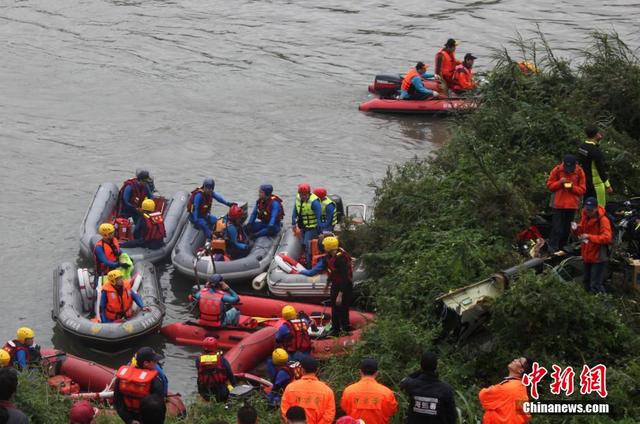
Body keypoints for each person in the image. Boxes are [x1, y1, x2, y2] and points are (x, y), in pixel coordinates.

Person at [300, 236, 353, 335]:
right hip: (335, 284)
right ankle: (335, 329)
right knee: (334, 308)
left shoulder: (341, 259)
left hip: (345, 286)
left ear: (328, 247)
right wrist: (327, 284)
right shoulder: (329, 257)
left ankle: (346, 328)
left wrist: (340, 295)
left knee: (343, 308)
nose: (323, 248)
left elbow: (344, 277)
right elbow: (332, 272)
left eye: (324, 246)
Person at [400, 351, 456, 424]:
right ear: (436, 366)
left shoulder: (411, 385)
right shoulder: (446, 389)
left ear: (421, 366)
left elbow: (403, 381)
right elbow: (451, 417)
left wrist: (421, 371)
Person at [114, 347, 166, 424]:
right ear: (146, 363)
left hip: (130, 419)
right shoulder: (155, 381)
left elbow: (118, 403)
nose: (157, 362)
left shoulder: (121, 379)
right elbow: (159, 408)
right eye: (154, 361)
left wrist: (129, 420)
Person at [546, 154, 587, 252]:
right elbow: (550, 186)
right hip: (558, 204)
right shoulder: (557, 170)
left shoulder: (579, 172)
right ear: (563, 163)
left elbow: (582, 190)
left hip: (571, 205)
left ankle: (562, 248)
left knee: (566, 229)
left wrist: (572, 187)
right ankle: (552, 248)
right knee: (557, 228)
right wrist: (560, 182)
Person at [340, 358, 398, 424]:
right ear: (376, 373)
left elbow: (345, 408)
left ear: (360, 372)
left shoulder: (349, 391)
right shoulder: (386, 392)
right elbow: (392, 410)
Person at [281, 356, 335, 424]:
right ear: (317, 370)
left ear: (302, 370)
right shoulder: (327, 391)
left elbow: (285, 411)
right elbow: (329, 415)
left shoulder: (290, 388)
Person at [575, 197, 612, 293]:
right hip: (587, 255)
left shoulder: (603, 220)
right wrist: (576, 229)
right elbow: (581, 233)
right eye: (587, 209)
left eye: (590, 210)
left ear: (596, 209)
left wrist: (589, 237)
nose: (588, 212)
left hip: (598, 257)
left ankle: (605, 306)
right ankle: (589, 306)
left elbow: (607, 238)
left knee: (595, 285)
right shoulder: (585, 217)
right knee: (586, 282)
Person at [479, 357, 533, 424]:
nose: (515, 360)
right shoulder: (521, 388)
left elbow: (483, 396)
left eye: (519, 361)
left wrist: (490, 388)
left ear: (521, 370)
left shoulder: (507, 387)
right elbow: (524, 415)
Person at [577, 126, 612, 207]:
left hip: (585, 182)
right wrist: (608, 185)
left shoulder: (582, 147)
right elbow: (601, 169)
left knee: (587, 206)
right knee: (599, 207)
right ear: (596, 135)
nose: (601, 134)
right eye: (599, 132)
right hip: (596, 184)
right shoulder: (595, 151)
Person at [196, 337, 236, 402]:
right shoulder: (222, 360)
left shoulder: (198, 360)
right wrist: (234, 385)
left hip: (205, 393)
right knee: (229, 385)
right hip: (220, 393)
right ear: (216, 347)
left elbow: (200, 373)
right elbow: (230, 374)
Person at [292, 184, 322, 267]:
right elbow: (295, 211)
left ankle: (309, 265)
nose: (303, 196)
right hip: (303, 226)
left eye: (305, 194)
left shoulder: (314, 202)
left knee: (307, 244)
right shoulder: (298, 199)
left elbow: (319, 218)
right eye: (301, 194)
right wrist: (293, 223)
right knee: (302, 244)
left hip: (312, 228)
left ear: (309, 193)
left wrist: (320, 232)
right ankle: (305, 259)